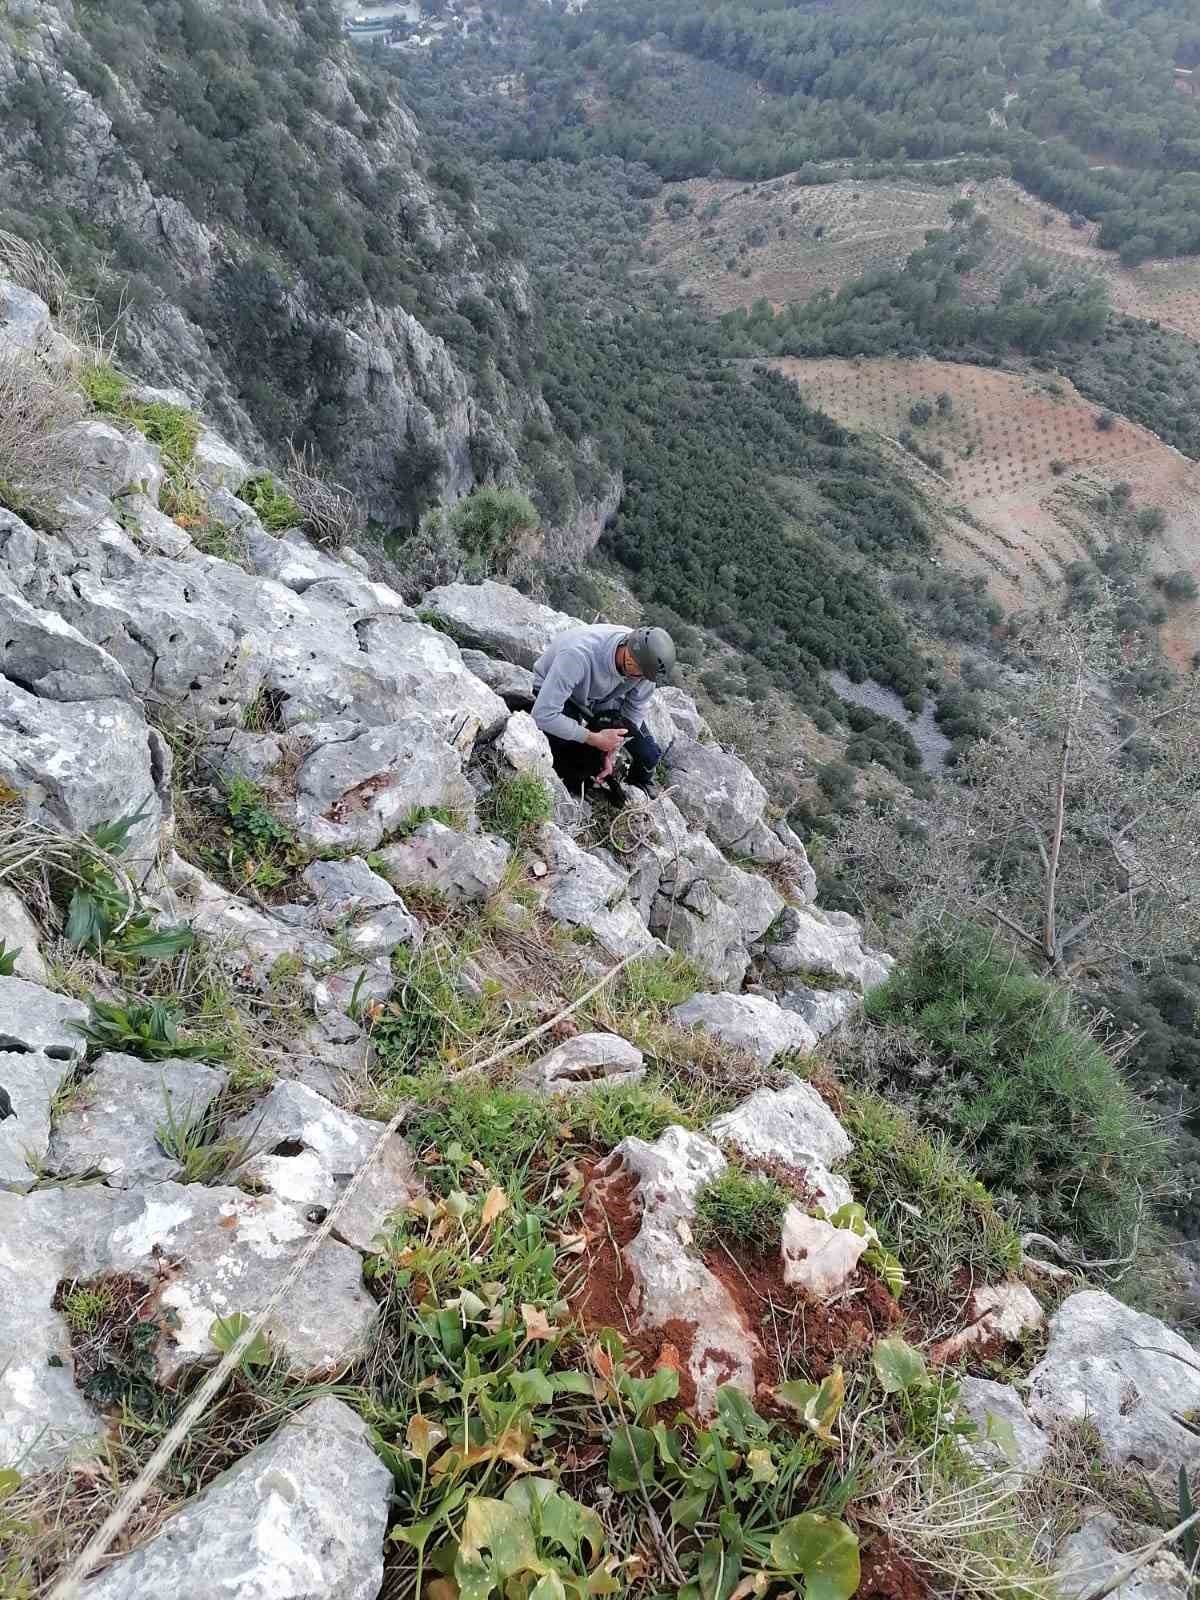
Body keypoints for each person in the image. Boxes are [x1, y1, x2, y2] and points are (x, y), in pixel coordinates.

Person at [530, 624, 676, 800]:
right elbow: (543, 715)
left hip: (603, 699)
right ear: (630, 658)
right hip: (564, 693)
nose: (642, 679)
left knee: (648, 755)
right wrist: (594, 739)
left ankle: (637, 789)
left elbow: (634, 712)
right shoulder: (578, 654)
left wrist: (611, 750)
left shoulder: (644, 668)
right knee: (564, 755)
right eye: (640, 674)